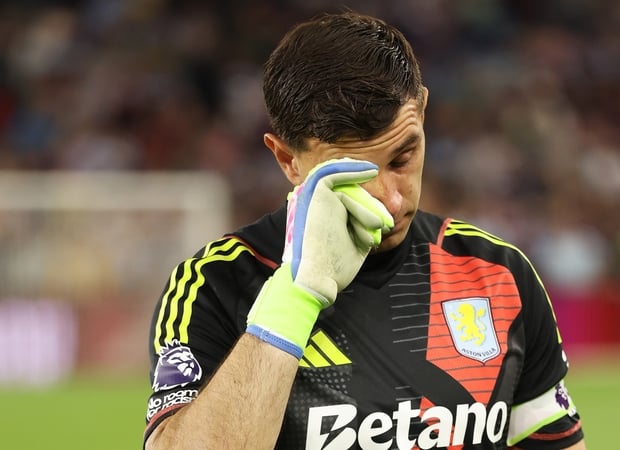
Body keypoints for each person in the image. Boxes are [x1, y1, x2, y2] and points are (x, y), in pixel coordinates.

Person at [143, 11, 586, 450]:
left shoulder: (496, 273)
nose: (391, 201)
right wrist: (294, 298)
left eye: (403, 158)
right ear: (288, 160)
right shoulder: (216, 285)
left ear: (422, 112)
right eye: (352, 175)